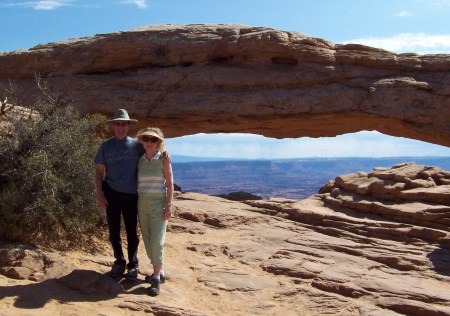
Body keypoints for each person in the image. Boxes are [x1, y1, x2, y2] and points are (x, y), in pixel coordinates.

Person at [94, 109, 144, 280]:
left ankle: (133, 265)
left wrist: (164, 156)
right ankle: (119, 262)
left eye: (123, 124)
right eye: (117, 124)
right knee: (113, 230)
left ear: (128, 126)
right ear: (113, 126)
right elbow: (99, 172)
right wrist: (100, 194)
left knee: (131, 231)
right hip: (111, 193)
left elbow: (150, 159)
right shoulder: (105, 146)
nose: (120, 127)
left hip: (131, 194)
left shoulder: (137, 146)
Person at [136, 127, 173, 296]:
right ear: (142, 141)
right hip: (142, 203)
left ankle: (156, 278)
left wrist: (168, 205)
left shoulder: (163, 159)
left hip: (158, 204)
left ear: (159, 143)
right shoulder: (140, 160)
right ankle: (160, 272)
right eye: (146, 139)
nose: (149, 142)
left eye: (153, 140)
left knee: (157, 241)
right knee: (149, 240)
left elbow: (170, 184)